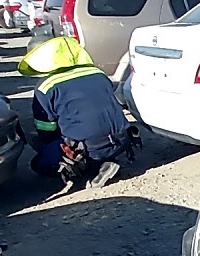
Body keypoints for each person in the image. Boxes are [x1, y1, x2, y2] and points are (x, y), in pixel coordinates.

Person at [17, 37, 139, 189]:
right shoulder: (97, 73)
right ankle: (105, 161)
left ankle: (88, 167)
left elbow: (46, 129)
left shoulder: (45, 87)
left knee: (39, 163)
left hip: (86, 149)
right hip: (123, 139)